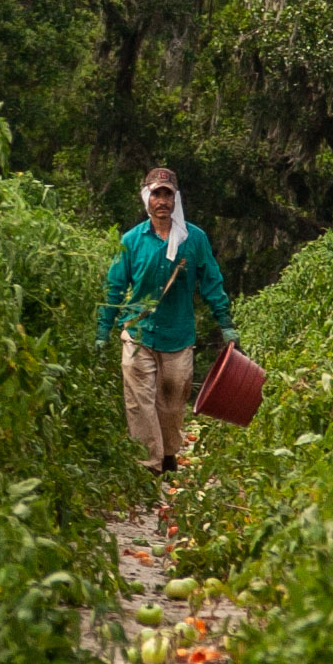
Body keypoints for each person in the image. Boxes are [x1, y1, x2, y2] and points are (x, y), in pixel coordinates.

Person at [97, 166, 236, 477]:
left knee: (172, 401)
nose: (162, 200)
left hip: (178, 334)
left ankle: (170, 451)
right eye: (156, 194)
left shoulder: (194, 239)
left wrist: (225, 322)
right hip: (138, 333)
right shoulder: (132, 240)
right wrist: (103, 328)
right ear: (147, 198)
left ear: (175, 200)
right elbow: (115, 285)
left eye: (167, 194)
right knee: (139, 402)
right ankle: (149, 465)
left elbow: (211, 281)